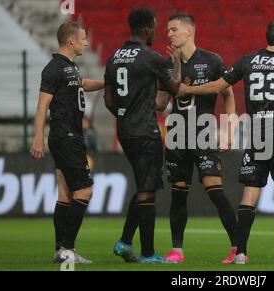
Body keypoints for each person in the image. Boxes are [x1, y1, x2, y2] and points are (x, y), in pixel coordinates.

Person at [178, 19, 274, 265]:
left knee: (250, 192)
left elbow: (218, 86)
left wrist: (188, 90)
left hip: (256, 132)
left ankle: (240, 253)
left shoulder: (247, 60)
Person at [157, 13, 238, 264]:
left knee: (214, 189)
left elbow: (228, 94)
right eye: (168, 30)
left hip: (203, 131)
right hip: (177, 133)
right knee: (178, 192)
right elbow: (161, 103)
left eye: (174, 29)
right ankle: (176, 250)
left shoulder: (212, 60)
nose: (169, 34)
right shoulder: (166, 64)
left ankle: (238, 248)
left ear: (189, 31)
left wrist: (228, 129)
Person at [103, 8, 181, 264]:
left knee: (144, 187)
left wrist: (126, 112)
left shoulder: (114, 57)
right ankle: (148, 254)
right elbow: (175, 88)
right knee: (147, 191)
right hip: (145, 132)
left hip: (125, 130)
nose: (157, 31)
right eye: (156, 26)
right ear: (147, 29)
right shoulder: (151, 58)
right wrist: (177, 64)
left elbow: (109, 99)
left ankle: (125, 241)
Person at [30, 20, 104, 263]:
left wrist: (106, 82)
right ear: (71, 40)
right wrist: (38, 138)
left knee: (65, 195)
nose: (86, 42)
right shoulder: (53, 68)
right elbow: (42, 108)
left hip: (70, 136)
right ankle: (68, 250)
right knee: (85, 191)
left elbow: (82, 85)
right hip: (65, 137)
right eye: (83, 38)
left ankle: (60, 251)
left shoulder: (70, 67)